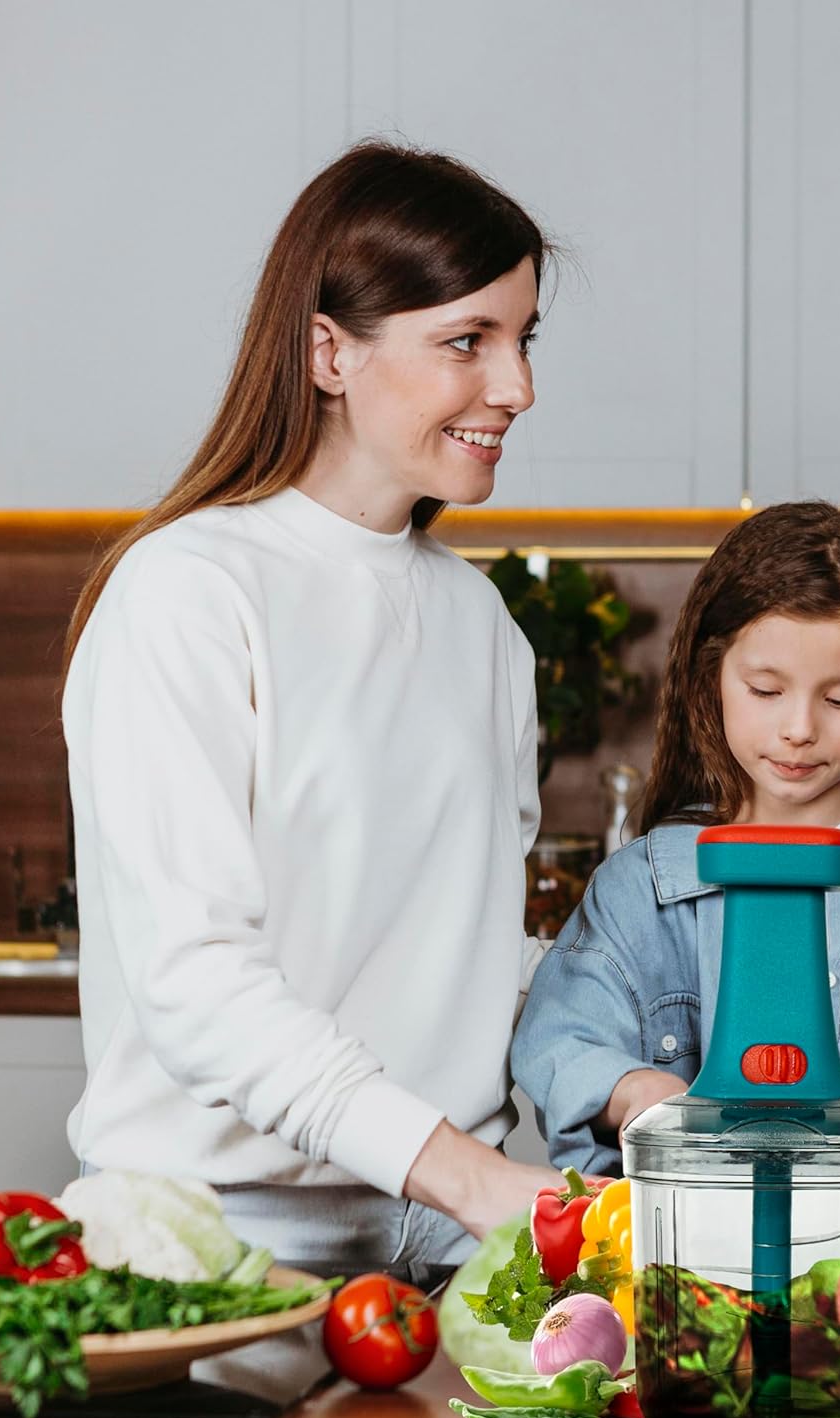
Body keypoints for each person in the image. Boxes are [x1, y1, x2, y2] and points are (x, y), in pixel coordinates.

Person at [61, 141, 562, 1282]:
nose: (517, 388)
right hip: (224, 1230)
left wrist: (636, 1035)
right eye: (468, 341)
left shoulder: (482, 625)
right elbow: (196, 979)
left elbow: (474, 950)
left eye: (524, 340)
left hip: (452, 1230)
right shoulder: (188, 591)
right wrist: (462, 1174)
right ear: (330, 352)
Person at [512, 503, 840, 1228]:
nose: (799, 728)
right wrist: (636, 1092)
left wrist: (776, 1159)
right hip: (678, 1250)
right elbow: (560, 1037)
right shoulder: (638, 885)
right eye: (766, 690)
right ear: (713, 673)